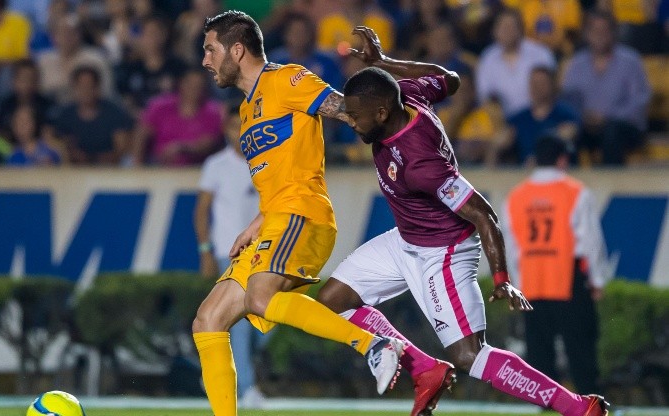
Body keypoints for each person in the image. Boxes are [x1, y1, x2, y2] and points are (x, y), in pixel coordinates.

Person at [315, 26, 609, 416]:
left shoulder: (421, 163)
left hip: (444, 252)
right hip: (406, 240)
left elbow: (484, 214)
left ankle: (575, 406)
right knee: (332, 300)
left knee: (470, 356)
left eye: (356, 116)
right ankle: (424, 369)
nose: (350, 122)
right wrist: (384, 63)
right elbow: (451, 79)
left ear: (382, 112)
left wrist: (502, 279)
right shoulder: (411, 95)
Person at [192, 11, 404, 416]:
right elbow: (277, 176)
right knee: (207, 320)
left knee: (259, 296)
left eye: (210, 49)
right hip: (274, 219)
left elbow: (349, 111)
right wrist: (255, 225)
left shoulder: (287, 79)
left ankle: (373, 344)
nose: (205, 60)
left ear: (237, 50)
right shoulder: (246, 111)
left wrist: (398, 132)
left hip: (303, 213)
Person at [501, 135, 609, 395]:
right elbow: (591, 242)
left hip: (533, 281)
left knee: (539, 354)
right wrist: (597, 281)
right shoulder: (575, 192)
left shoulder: (516, 197)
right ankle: (589, 403)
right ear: (562, 159)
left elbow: (511, 248)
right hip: (567, 279)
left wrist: (517, 286)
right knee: (580, 348)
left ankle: (546, 405)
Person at [193, 106, 264, 406]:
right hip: (227, 253)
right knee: (243, 327)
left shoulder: (264, 160)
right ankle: (246, 389)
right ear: (226, 130)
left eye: (244, 125)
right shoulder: (216, 165)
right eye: (234, 126)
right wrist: (206, 250)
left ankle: (215, 366)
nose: (240, 131)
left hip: (262, 254)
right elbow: (201, 211)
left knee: (267, 321)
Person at [561, 10, 651, 166]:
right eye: (595, 31)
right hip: (586, 125)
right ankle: (570, 185)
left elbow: (638, 102)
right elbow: (569, 99)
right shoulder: (576, 64)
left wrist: (606, 117)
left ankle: (612, 184)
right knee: (567, 133)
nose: (599, 35)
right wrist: (584, 117)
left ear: (613, 32)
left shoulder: (630, 61)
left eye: (604, 30)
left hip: (624, 127)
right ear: (587, 34)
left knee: (611, 132)